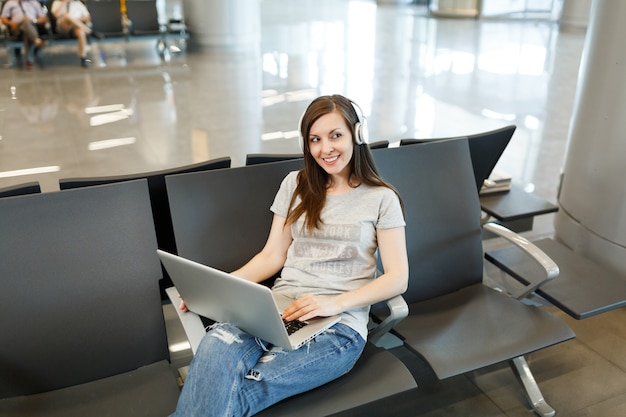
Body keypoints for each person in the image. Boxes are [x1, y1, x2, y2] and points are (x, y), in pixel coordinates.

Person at [171, 94, 409, 417]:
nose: (326, 149)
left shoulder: (382, 199)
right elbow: (271, 256)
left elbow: (398, 278)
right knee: (216, 345)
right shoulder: (295, 185)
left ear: (357, 133)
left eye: (335, 135)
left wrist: (332, 303)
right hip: (276, 309)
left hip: (338, 327)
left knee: (238, 388)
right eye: (315, 139)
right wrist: (213, 290)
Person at [0, 0, 47, 69]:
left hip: (32, 25)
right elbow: (3, 18)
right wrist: (11, 23)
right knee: (25, 24)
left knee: (27, 29)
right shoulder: (10, 3)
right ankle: (36, 42)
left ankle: (29, 61)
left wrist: (33, 20)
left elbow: (44, 18)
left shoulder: (34, 3)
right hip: (16, 28)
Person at [50, 0, 94, 68]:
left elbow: (87, 17)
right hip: (63, 26)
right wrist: (64, 2)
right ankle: (89, 31)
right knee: (66, 16)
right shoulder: (57, 2)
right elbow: (55, 15)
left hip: (76, 26)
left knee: (80, 32)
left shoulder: (77, 3)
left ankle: (83, 57)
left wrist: (75, 20)